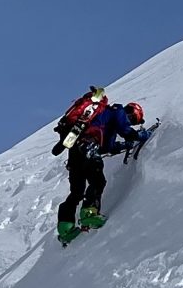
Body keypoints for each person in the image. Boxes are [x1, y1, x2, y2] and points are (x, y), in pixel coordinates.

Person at [55, 96, 148, 243]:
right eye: (133, 119)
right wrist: (139, 135)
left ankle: (65, 228)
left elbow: (108, 147)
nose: (131, 122)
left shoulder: (104, 121)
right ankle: (89, 214)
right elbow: (125, 129)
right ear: (131, 111)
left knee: (76, 192)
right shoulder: (117, 111)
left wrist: (125, 145)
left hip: (75, 153)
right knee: (98, 181)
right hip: (89, 149)